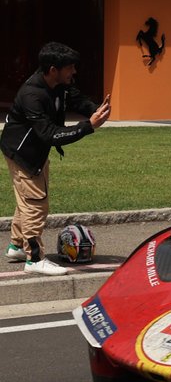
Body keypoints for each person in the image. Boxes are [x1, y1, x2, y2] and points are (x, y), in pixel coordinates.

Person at [2, 42, 111, 276]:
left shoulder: (58, 85)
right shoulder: (32, 94)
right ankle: (34, 259)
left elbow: (77, 100)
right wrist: (88, 126)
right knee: (36, 204)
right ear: (53, 69)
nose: (74, 72)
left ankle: (16, 246)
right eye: (70, 68)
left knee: (30, 199)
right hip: (22, 153)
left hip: (34, 151)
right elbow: (50, 134)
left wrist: (96, 109)